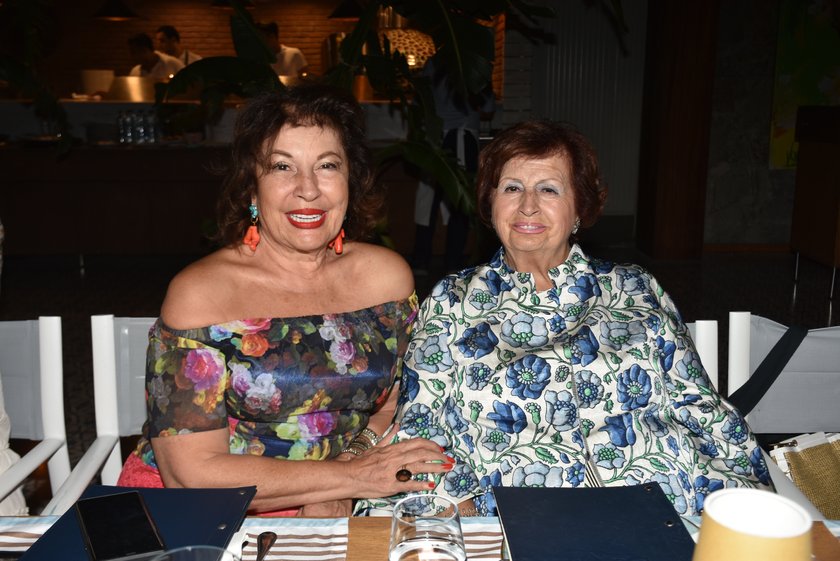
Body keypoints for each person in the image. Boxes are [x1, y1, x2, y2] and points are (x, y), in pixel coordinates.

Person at [359, 120, 773, 517]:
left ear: (579, 209)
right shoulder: (452, 301)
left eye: (549, 189)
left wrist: (737, 499)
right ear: (490, 203)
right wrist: (464, 514)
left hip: (664, 504)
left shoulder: (634, 287)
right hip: (516, 519)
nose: (528, 205)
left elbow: (696, 405)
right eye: (512, 188)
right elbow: (422, 427)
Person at [116, 85, 450, 516]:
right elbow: (191, 473)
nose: (308, 189)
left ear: (349, 182)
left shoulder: (385, 279)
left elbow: (396, 401)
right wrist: (347, 479)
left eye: (327, 165)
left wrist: (346, 473)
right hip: (210, 510)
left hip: (349, 492)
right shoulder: (202, 294)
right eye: (281, 167)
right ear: (252, 190)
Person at [411, 58, 495, 275]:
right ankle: (453, 261)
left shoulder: (432, 64)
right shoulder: (474, 63)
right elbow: (488, 108)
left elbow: (419, 102)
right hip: (461, 136)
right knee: (460, 201)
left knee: (428, 200)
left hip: (434, 138)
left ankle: (421, 260)